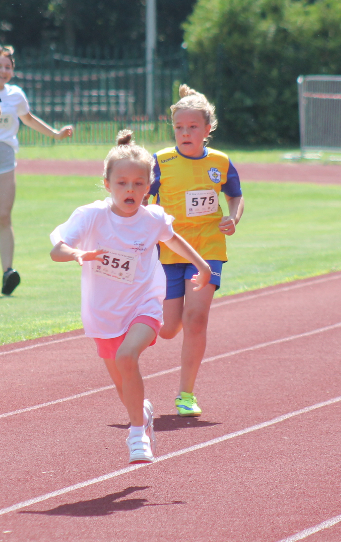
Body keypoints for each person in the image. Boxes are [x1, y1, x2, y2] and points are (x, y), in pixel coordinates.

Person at [50, 131, 211, 463]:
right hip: (103, 313)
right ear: (107, 184)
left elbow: (173, 238)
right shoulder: (92, 216)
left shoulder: (151, 218)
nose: (130, 190)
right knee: (124, 387)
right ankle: (143, 413)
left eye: (139, 183)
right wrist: (78, 254)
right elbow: (57, 249)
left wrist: (202, 265)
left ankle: (137, 436)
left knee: (127, 358)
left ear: (149, 186)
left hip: (144, 305)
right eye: (122, 183)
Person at [150, 85, 243, 418]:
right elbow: (139, 198)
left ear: (207, 129)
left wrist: (232, 217)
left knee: (197, 318)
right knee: (169, 327)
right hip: (168, 251)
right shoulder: (160, 162)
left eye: (192, 127)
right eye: (179, 127)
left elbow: (235, 194)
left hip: (206, 249)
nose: (185, 133)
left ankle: (185, 394)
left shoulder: (220, 162)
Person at [0, 43, 75, 295]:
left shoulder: (15, 95)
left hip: (4, 157)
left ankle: (7, 272)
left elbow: (29, 119)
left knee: (3, 216)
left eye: (7, 67)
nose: (2, 71)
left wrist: (55, 134)